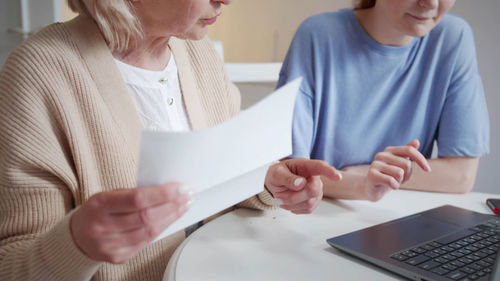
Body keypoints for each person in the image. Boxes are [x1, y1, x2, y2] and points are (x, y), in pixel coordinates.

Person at [0, 0, 342, 280]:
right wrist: (76, 244)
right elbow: (12, 266)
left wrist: (267, 180)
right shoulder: (36, 75)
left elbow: (216, 178)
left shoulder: (198, 52)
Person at [277, 0, 489, 202]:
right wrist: (362, 185)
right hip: (318, 216)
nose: (431, 3)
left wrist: (369, 174)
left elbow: (461, 175)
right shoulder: (318, 35)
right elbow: (292, 175)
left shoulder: (452, 38)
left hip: (398, 220)